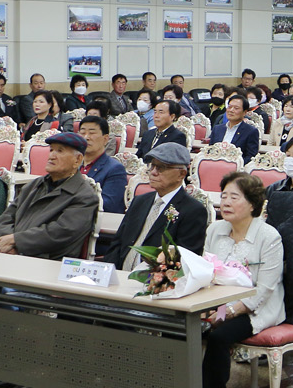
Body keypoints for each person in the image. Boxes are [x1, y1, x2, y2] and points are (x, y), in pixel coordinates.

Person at [195, 172, 285, 388]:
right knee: (180, 327)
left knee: (219, 335)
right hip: (216, 301)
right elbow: (205, 271)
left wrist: (231, 310)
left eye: (234, 197)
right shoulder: (215, 229)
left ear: (253, 204)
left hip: (256, 308)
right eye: (223, 196)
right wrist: (208, 306)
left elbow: (265, 289)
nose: (226, 202)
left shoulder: (269, 237)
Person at [0, 132, 99, 261]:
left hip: (47, 263)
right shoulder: (33, 185)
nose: (52, 156)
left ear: (77, 160)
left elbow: (61, 233)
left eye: (60, 151)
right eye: (51, 150)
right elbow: (6, 217)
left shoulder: (84, 195)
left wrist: (16, 241)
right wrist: (5, 243)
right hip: (11, 255)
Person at [105, 142, 207, 270]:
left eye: (161, 168)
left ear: (181, 174)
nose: (153, 172)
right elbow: (118, 243)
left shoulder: (193, 210)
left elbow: (185, 260)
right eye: (152, 166)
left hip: (153, 282)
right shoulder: (140, 201)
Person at [77, 116, 127, 215]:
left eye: (92, 133)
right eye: (82, 133)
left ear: (105, 139)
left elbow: (108, 204)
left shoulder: (115, 169)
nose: (86, 137)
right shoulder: (73, 165)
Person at [209, 95, 260, 163]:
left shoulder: (251, 131)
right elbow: (210, 151)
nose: (231, 110)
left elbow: (250, 158)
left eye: (236, 108)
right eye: (229, 107)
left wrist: (235, 165)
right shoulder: (218, 129)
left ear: (244, 112)